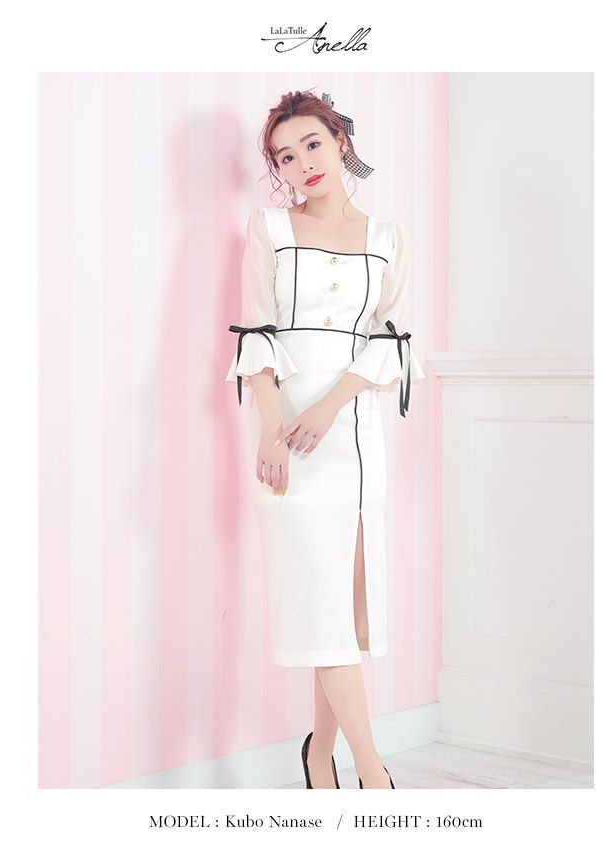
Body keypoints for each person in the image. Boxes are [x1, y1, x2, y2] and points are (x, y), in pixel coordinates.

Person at [225, 89, 426, 789]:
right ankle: (375, 777)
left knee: (336, 611)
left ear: (341, 141)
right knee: (317, 603)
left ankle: (318, 758)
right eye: (285, 156)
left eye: (312, 144)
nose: (302, 163)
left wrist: (331, 407)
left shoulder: (388, 238)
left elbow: (391, 340)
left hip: (354, 439)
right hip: (286, 440)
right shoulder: (269, 229)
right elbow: (255, 333)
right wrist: (271, 430)